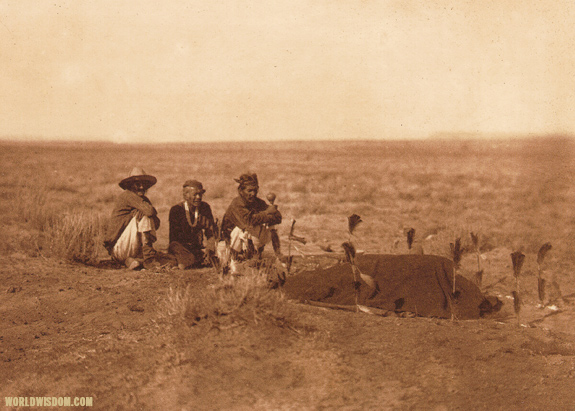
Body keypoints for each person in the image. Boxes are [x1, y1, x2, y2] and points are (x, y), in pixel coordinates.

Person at [221, 173, 282, 272]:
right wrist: (267, 213)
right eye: (249, 190)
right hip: (230, 244)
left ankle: (271, 254)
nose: (253, 194)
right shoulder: (236, 204)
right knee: (241, 229)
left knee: (269, 227)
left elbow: (278, 217)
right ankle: (233, 260)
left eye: (255, 190)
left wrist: (268, 214)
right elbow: (248, 221)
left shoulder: (257, 202)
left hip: (247, 242)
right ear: (241, 191)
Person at [103, 167, 162, 270]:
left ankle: (132, 261)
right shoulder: (127, 195)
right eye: (137, 184)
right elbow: (149, 212)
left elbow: (156, 223)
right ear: (130, 185)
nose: (141, 187)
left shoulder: (143, 200)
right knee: (145, 216)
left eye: (144, 183)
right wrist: (147, 212)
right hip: (119, 246)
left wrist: (146, 211)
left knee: (144, 215)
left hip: (127, 247)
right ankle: (148, 258)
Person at [168, 179, 217, 269]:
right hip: (180, 247)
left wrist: (210, 249)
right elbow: (174, 239)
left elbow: (211, 233)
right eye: (195, 194)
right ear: (186, 195)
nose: (198, 197)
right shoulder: (176, 210)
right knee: (188, 261)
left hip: (196, 248)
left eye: (200, 194)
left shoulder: (205, 208)